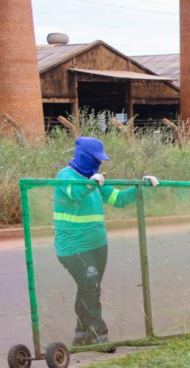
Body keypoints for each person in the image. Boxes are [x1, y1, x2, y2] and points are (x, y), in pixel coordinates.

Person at [54, 136, 158, 349]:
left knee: (90, 288)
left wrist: (143, 186)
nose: (98, 163)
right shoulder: (66, 176)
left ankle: (81, 334)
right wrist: (92, 183)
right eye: (95, 159)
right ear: (84, 157)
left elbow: (118, 200)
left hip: (97, 245)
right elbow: (76, 193)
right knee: (89, 286)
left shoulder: (95, 179)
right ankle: (99, 336)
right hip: (72, 247)